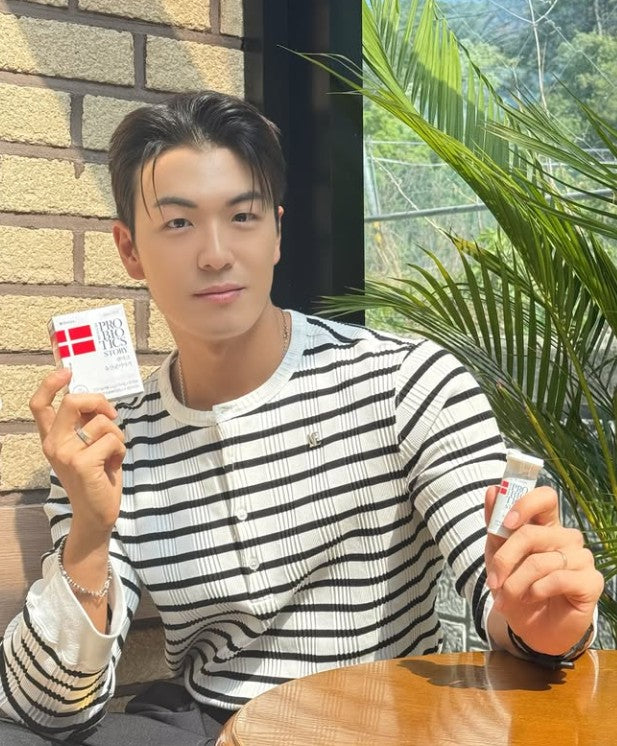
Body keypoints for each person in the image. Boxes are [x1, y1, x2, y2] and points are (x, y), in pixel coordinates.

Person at [0, 91, 603, 745]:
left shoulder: (406, 381)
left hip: (382, 719)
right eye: (177, 223)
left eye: (242, 217)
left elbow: (502, 589)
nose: (215, 253)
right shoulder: (111, 441)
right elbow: (45, 711)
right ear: (130, 250)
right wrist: (90, 537)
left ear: (277, 233)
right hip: (213, 730)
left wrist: (539, 621)